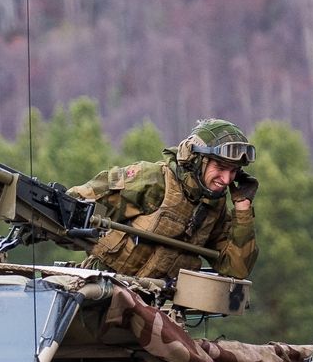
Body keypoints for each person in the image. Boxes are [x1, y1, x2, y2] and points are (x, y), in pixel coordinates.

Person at [72, 119, 258, 280]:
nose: (226, 180)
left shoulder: (214, 209)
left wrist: (243, 210)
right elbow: (72, 209)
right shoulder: (153, 181)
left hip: (149, 309)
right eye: (220, 167)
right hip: (101, 293)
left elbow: (236, 268)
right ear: (196, 159)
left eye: (233, 171)